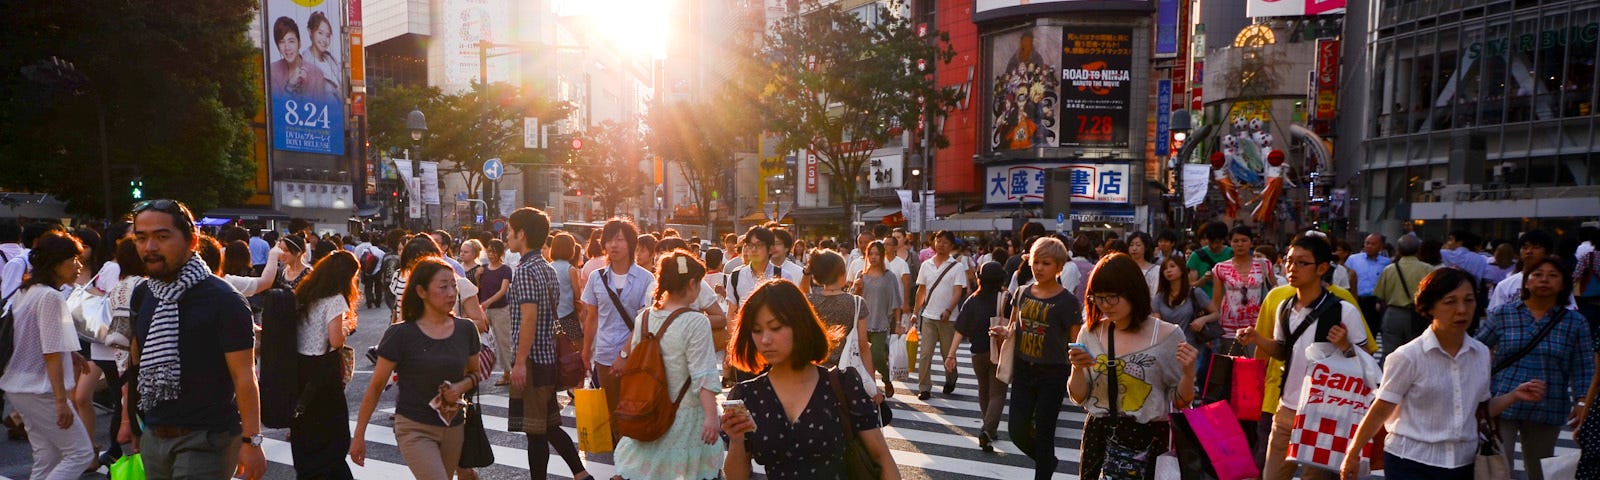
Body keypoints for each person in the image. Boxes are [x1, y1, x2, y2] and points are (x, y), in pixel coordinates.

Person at [1341, 267, 1549, 480]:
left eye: (1469, 300)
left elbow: (1479, 410)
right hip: (1411, 462)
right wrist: (1354, 452)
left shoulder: (1480, 353)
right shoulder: (1408, 356)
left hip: (1464, 463)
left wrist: (1514, 396)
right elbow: (1381, 409)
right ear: (1430, 307)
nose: (1461, 309)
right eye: (1450, 301)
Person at [126, 199, 265, 479]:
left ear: (191, 240)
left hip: (207, 438)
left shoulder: (224, 300)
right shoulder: (144, 294)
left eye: (162, 237)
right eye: (141, 238)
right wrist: (132, 423)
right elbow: (136, 365)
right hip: (153, 434)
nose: (149, 247)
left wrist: (252, 441)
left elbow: (244, 376)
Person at [720, 280, 899, 479]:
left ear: (800, 325)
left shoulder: (841, 384)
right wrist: (736, 440)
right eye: (757, 330)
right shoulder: (748, 394)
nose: (765, 340)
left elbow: (882, 458)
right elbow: (737, 476)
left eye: (775, 327)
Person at [1237, 234, 1371, 480]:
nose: (1291, 268)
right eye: (1288, 261)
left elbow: (1366, 362)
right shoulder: (1284, 307)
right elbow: (1281, 349)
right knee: (1272, 475)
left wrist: (1345, 346)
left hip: (1324, 413)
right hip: (1285, 408)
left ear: (1321, 268)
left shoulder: (1344, 310)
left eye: (1301, 262)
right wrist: (1257, 338)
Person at [1068, 253, 1198, 480]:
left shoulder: (1168, 335)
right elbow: (1079, 397)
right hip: (1098, 439)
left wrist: (1189, 373)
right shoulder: (1090, 332)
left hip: (1146, 440)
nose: (1105, 305)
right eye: (1098, 298)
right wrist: (1077, 368)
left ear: (1133, 292)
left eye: (1112, 297)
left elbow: (1180, 400)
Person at [351, 258, 480, 479]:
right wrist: (359, 435)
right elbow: (376, 387)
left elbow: (475, 374)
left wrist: (461, 386)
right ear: (421, 291)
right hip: (414, 426)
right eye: (443, 286)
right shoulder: (401, 334)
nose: (451, 293)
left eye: (454, 285)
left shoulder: (466, 329)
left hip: (454, 425)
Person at [1477, 257, 1593, 480]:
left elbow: (1584, 366)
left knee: (1539, 470)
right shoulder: (1504, 314)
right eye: (1537, 274)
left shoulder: (1575, 323)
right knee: (1498, 466)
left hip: (1548, 404)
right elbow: (1477, 349)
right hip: (1503, 401)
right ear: (1526, 282)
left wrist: (1581, 401)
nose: (1544, 280)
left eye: (1552, 276)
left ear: (1563, 284)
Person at [613, 249, 723, 479]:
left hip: (649, 411)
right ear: (692, 284)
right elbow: (703, 374)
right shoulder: (696, 322)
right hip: (685, 417)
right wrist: (712, 416)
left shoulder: (644, 317)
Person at [0, 232, 95, 479]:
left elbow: (31, 337)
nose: (79, 265)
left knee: (47, 456)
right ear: (54, 263)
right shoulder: (50, 296)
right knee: (80, 454)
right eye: (72, 258)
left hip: (18, 385)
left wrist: (70, 354)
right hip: (40, 389)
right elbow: (50, 352)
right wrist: (61, 400)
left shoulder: (27, 290)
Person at [989, 237, 1082, 479]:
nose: (1039, 268)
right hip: (1023, 368)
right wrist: (1005, 332)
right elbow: (1014, 327)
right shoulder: (1021, 292)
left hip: (1053, 373)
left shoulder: (1068, 302)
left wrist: (1079, 374)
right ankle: (1047, 461)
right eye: (1035, 262)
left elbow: (1076, 343)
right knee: (1016, 431)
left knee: (1044, 432)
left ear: (1059, 266)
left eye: (1046, 263)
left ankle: (1043, 470)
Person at [580, 218, 654, 442]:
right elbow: (591, 317)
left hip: (637, 355)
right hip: (604, 355)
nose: (614, 245)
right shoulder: (596, 277)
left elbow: (645, 320)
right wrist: (585, 352)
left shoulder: (646, 278)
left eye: (620, 239)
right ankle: (621, 464)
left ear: (631, 243)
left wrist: (624, 353)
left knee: (636, 411)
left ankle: (637, 462)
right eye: (610, 240)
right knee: (613, 413)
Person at [288, 250, 358, 479]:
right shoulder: (336, 298)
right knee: (332, 431)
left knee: (306, 426)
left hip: (300, 368)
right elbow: (336, 340)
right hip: (324, 371)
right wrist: (347, 327)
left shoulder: (306, 293)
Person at [946, 261, 1008, 453]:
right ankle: (988, 430)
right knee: (998, 393)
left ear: (980, 278)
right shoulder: (1006, 298)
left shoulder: (972, 300)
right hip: (999, 350)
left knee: (984, 390)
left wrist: (951, 354)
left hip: (977, 352)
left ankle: (989, 427)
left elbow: (960, 329)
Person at [911, 230, 968, 400]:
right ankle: (924, 387)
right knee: (925, 353)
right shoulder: (926, 265)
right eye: (938, 240)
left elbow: (958, 292)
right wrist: (915, 312)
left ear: (951, 245)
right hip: (928, 316)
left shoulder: (956, 267)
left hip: (948, 319)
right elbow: (921, 291)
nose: (940, 244)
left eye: (944, 242)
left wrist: (949, 310)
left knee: (947, 353)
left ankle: (951, 378)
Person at [1210, 225, 1274, 354]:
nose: (1240, 244)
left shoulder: (1264, 264)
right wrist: (1212, 329)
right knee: (1229, 368)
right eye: (1236, 241)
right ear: (1230, 243)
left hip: (1257, 326)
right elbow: (1216, 302)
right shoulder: (1220, 268)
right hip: (1228, 328)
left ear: (1251, 242)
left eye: (1244, 240)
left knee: (1255, 367)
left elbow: (1274, 293)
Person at [807, 250, 873, 372]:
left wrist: (806, 272)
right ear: (842, 274)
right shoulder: (856, 303)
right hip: (845, 371)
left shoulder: (808, 301)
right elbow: (863, 346)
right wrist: (872, 383)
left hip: (813, 370)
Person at [1375, 234, 1437, 356]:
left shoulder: (1389, 269)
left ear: (1398, 250)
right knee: (1417, 352)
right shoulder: (1428, 269)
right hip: (1418, 315)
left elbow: (1380, 295)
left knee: (1390, 354)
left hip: (1393, 314)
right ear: (1418, 250)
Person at [1154, 255, 1218, 372]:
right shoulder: (1159, 298)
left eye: (1172, 266)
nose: (1168, 270)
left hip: (1192, 349)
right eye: (1165, 268)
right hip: (1167, 350)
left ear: (1182, 269)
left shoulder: (1195, 293)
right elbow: (1157, 324)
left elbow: (1215, 313)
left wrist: (1202, 320)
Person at [856, 240, 904, 395]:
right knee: (862, 361)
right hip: (862, 324)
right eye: (870, 254)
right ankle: (870, 389)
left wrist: (897, 323)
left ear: (882, 255)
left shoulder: (889, 277)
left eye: (877, 254)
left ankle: (886, 379)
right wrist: (857, 287)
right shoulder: (861, 276)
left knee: (877, 356)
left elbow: (896, 301)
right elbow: (853, 300)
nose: (873, 257)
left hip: (881, 323)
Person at [471, 239, 514, 385]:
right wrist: (477, 276)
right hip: (484, 310)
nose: (491, 254)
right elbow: (479, 288)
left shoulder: (505, 270)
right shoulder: (483, 268)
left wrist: (488, 302)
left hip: (500, 309)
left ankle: (507, 373)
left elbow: (503, 290)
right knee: (480, 340)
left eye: (494, 251)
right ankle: (477, 369)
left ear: (501, 253)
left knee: (503, 341)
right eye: (489, 251)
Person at [268, 16, 331, 101]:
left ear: (299, 43)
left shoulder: (317, 74)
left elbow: (320, 109)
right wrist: (290, 85)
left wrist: (307, 85)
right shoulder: (272, 72)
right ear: (278, 46)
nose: (287, 47)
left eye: (291, 41)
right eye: (282, 42)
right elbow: (277, 108)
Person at [1348, 233, 1393, 331]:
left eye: (1373, 244)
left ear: (1380, 247)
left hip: (1375, 302)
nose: (1369, 246)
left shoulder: (1386, 263)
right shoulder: (1353, 259)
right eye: (1367, 243)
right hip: (1357, 299)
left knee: (1372, 331)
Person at [1186, 221, 1232, 298]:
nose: (1214, 246)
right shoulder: (1196, 256)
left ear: (1223, 240)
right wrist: (1203, 280)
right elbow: (1190, 285)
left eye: (1217, 242)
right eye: (1211, 242)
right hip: (1203, 302)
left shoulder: (1231, 254)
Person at [300, 11, 340, 96]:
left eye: (328, 36)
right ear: (310, 32)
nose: (324, 39)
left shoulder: (332, 61)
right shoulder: (304, 63)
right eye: (320, 33)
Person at [1127, 232, 1160, 298]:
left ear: (1146, 247)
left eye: (1138, 245)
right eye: (1131, 245)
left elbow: (1155, 295)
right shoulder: (1122, 269)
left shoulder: (1156, 270)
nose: (1134, 248)